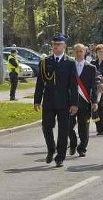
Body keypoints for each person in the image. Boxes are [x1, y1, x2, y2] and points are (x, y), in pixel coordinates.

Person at [34, 34, 78, 167]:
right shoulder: (45, 61)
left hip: (64, 102)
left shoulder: (70, 62)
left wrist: (74, 103)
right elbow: (40, 83)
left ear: (64, 46)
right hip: (49, 101)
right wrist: (37, 100)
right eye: (54, 44)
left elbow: (73, 85)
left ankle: (60, 156)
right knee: (46, 127)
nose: (55, 47)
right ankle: (51, 148)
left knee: (63, 130)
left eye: (58, 44)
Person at [69, 43, 97, 157]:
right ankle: (73, 144)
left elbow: (93, 86)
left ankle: (82, 148)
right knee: (68, 126)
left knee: (83, 127)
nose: (79, 53)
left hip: (85, 102)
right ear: (73, 53)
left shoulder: (91, 68)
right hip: (71, 102)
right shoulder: (69, 66)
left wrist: (94, 101)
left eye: (81, 51)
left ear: (85, 52)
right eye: (76, 51)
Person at [91, 44, 103, 136]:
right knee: (96, 108)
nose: (100, 54)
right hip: (95, 88)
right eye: (98, 52)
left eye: (102, 52)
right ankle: (99, 128)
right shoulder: (93, 63)